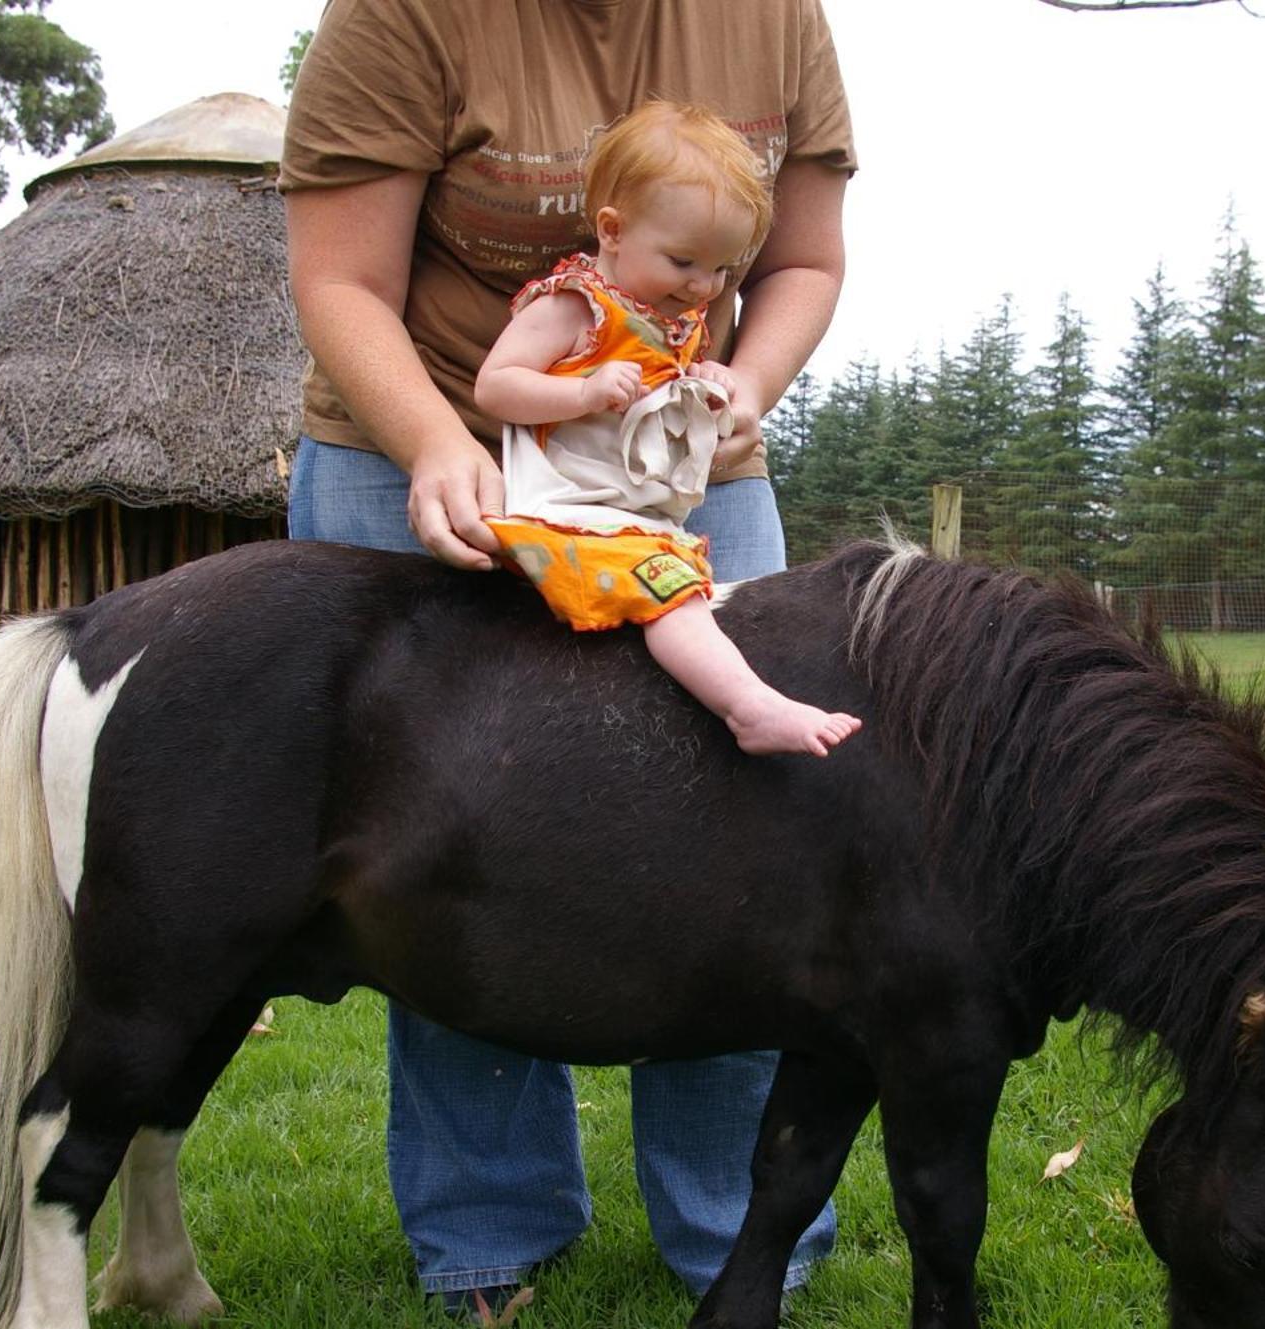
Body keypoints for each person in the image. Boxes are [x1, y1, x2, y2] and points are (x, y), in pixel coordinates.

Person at [278, 0, 855, 1315]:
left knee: (741, 833)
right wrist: (439, 443)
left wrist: (746, 385)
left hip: (678, 475)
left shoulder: (779, 17)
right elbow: (341, 277)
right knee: (446, 837)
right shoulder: (403, 15)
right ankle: (491, 1228)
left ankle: (739, 1230)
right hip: (430, 439)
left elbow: (807, 262)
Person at [476, 102, 861, 757]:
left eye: (721, 269)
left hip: (639, 513)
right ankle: (749, 708)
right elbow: (496, 387)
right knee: (673, 601)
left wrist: (712, 392)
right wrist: (582, 391)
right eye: (685, 261)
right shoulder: (576, 306)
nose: (703, 285)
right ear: (613, 229)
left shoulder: (670, 318)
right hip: (572, 511)